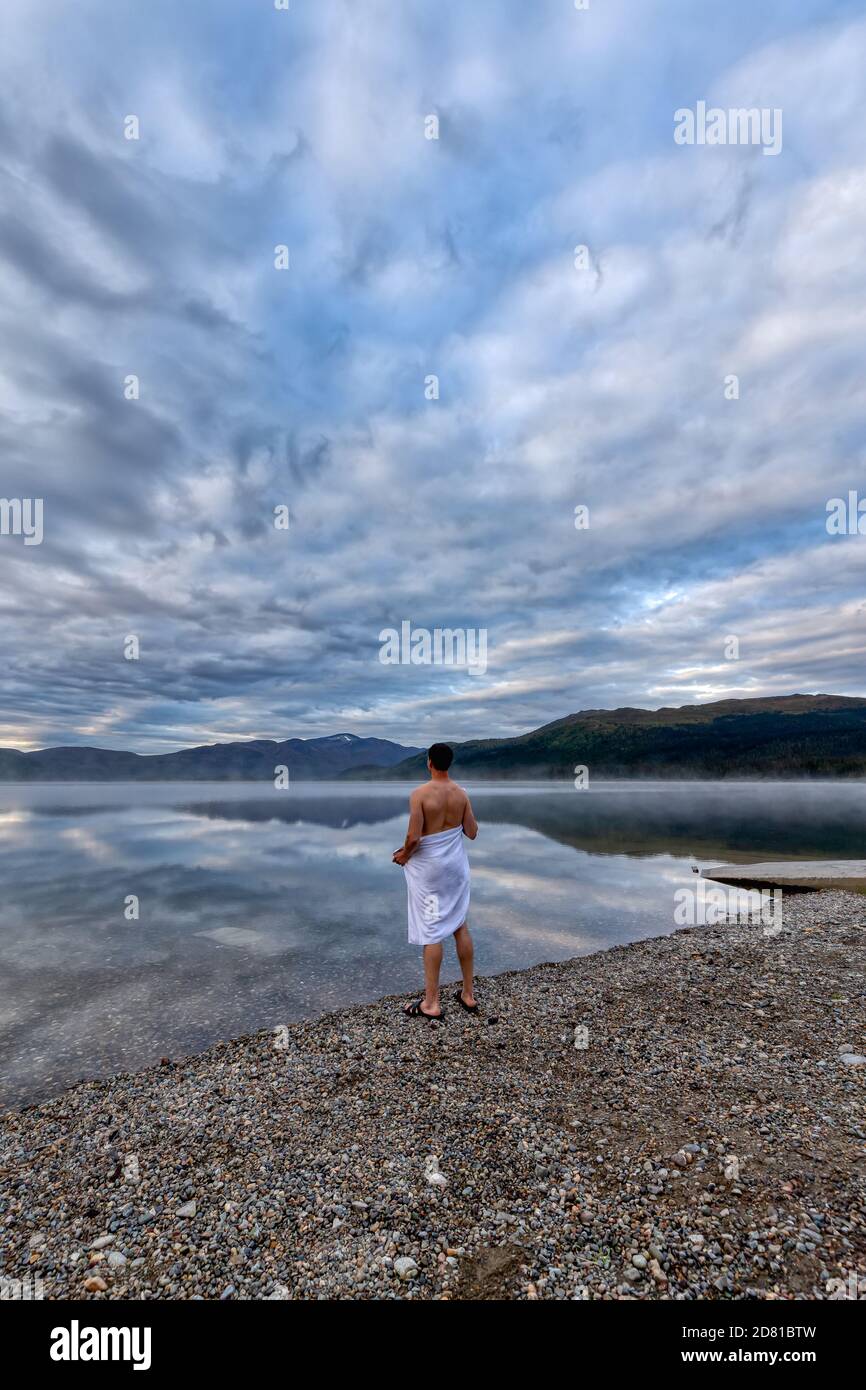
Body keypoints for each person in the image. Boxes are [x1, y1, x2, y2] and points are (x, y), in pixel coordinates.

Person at [392, 742, 478, 1019]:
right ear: (449, 763)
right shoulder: (461, 794)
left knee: (431, 929)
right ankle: (468, 994)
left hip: (431, 872)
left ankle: (431, 1003)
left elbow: (414, 837)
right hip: (456, 870)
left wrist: (404, 855)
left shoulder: (420, 794)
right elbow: (472, 832)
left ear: (429, 762)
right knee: (459, 925)